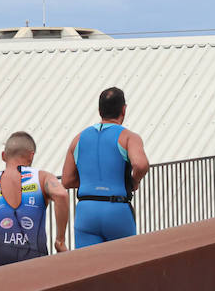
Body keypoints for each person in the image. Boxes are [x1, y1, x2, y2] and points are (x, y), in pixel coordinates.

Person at [61, 87, 150, 248]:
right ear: (124, 109)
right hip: (117, 208)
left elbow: (66, 180)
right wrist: (133, 181)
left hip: (86, 211)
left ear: (99, 110)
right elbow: (141, 164)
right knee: (124, 267)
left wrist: (91, 182)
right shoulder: (129, 137)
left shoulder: (78, 138)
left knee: (90, 268)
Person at [0, 132, 69, 266]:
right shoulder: (41, 177)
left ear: (3, 156)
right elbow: (62, 195)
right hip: (34, 257)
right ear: (31, 156)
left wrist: (2, 230)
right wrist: (60, 240)